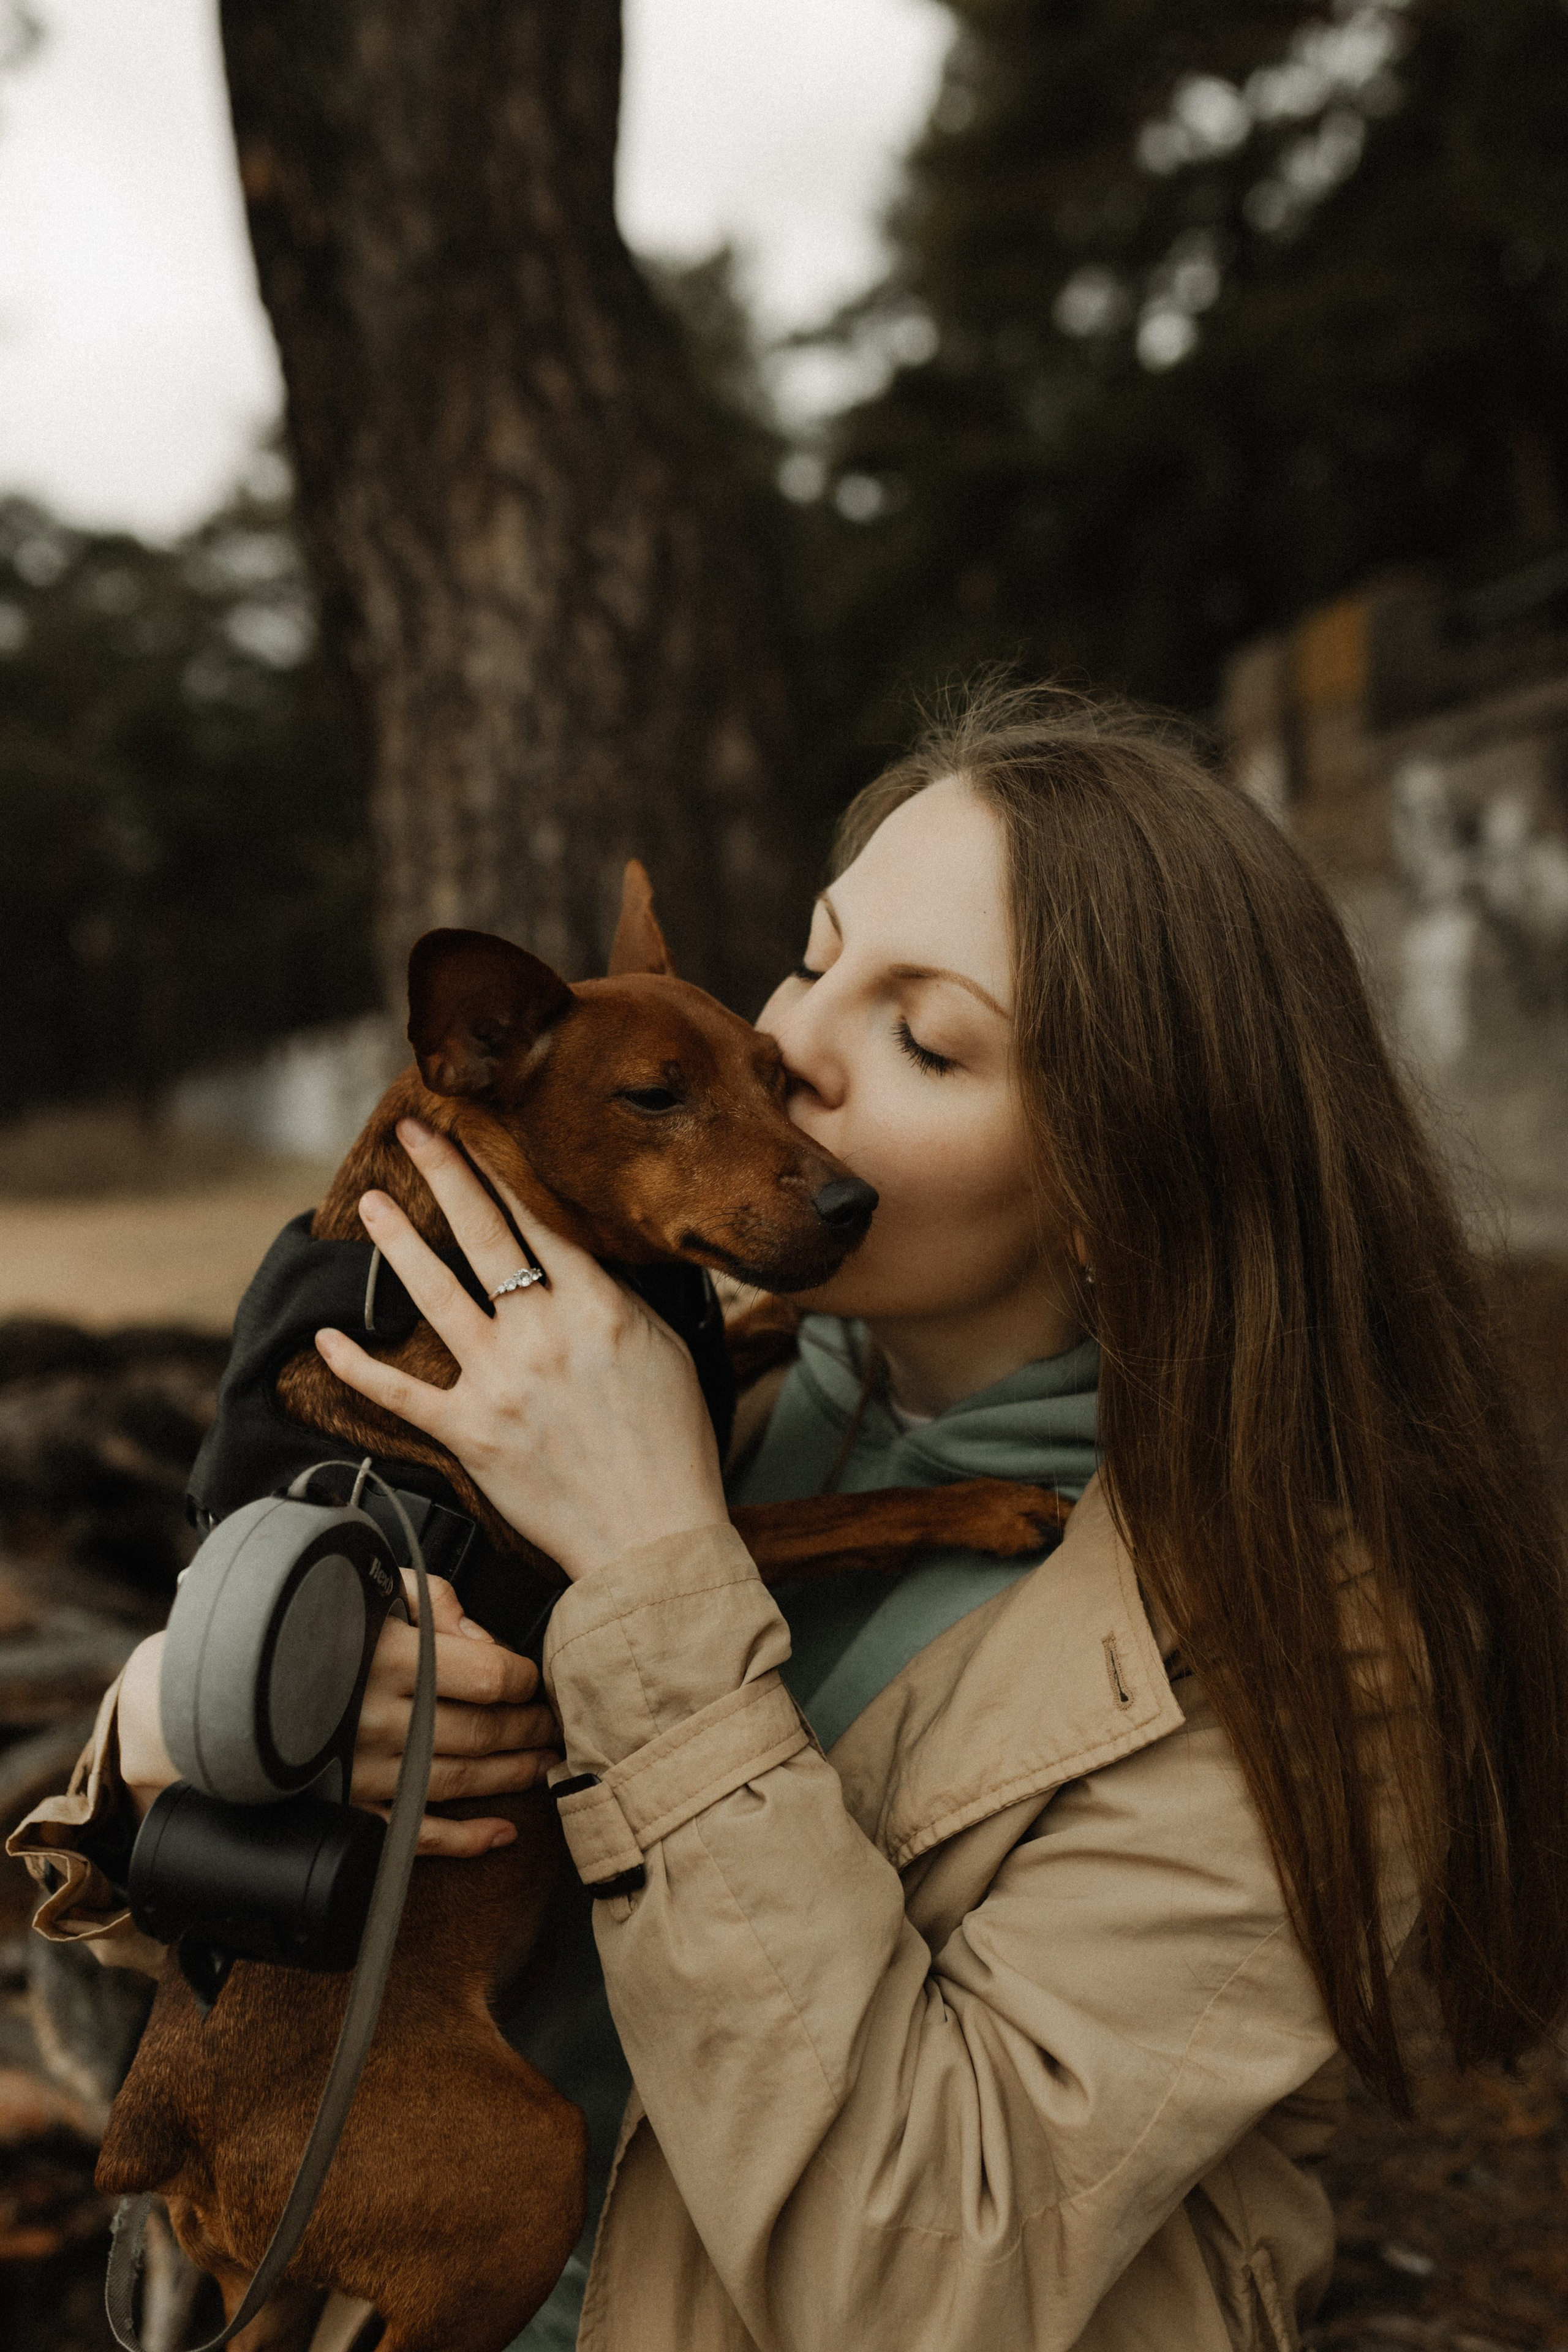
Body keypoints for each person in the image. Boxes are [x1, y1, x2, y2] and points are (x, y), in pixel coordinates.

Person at [16, 691, 1568, 2351]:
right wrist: (189, 1720)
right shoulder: (671, 1368)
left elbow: (928, 2283)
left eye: (928, 1039)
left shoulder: (1306, 1645)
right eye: (817, 958)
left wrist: (653, 1568)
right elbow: (197, 1984)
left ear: (1130, 1176)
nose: (793, 1050)